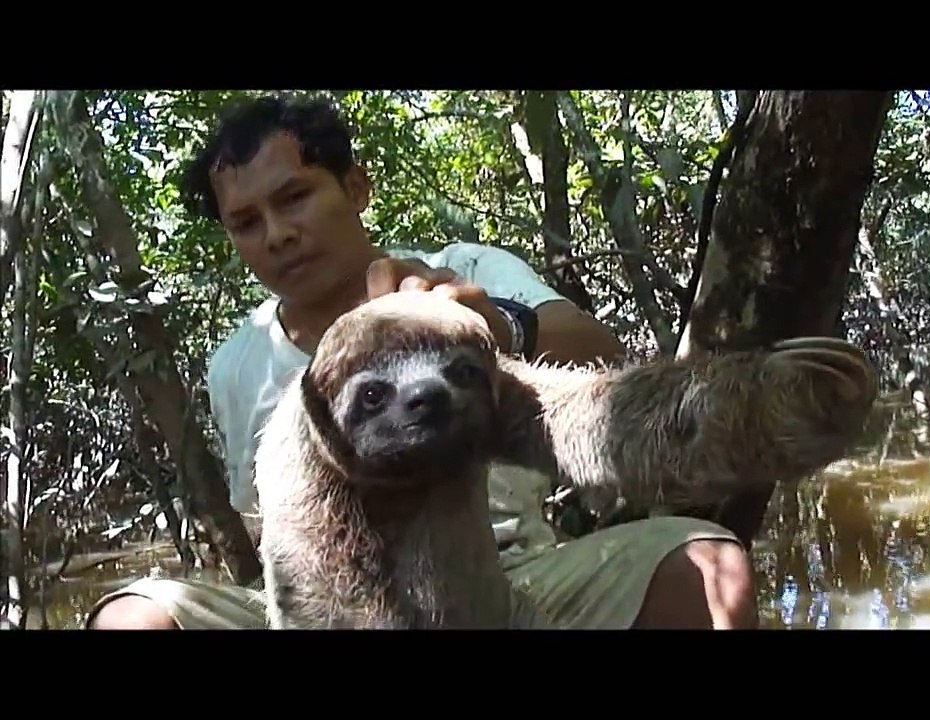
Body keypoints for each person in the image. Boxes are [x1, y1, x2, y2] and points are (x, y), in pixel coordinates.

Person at [85, 93, 758, 630]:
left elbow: (599, 357)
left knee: (705, 562)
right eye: (247, 222)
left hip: (510, 576)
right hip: (324, 606)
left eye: (294, 198)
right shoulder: (239, 362)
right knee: (131, 617)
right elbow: (266, 529)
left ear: (355, 188)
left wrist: (499, 328)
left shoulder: (464, 271)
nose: (277, 234)